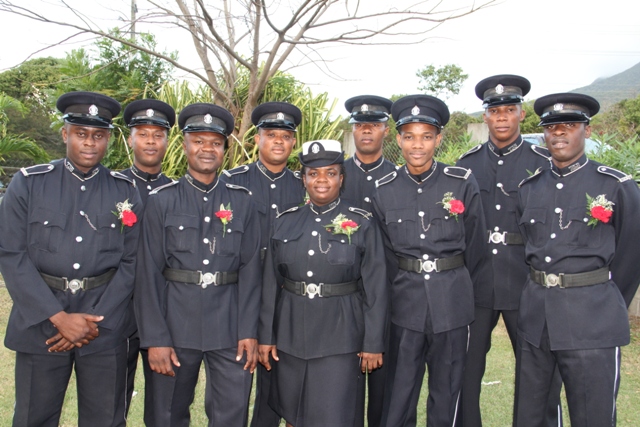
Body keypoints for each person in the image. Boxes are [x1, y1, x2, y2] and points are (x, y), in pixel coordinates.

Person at [0, 91, 142, 426]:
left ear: (108, 138)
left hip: (103, 328)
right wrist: (57, 317)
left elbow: (132, 261)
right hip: (42, 326)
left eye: (98, 135)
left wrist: (95, 321)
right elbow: (11, 253)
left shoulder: (125, 190)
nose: (89, 143)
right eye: (81, 134)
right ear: (65, 134)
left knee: (105, 419)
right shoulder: (29, 184)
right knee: (34, 416)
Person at [513, 93, 640, 426]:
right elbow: (529, 250)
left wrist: (603, 300)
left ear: (588, 130)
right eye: (552, 128)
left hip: (591, 319)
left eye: (570, 126)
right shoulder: (529, 188)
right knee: (532, 413)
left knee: (591, 415)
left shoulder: (616, 186)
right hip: (537, 320)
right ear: (543, 134)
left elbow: (631, 254)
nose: (560, 134)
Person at [134, 103, 261, 426]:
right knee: (167, 414)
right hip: (176, 325)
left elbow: (250, 270)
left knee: (230, 414)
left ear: (225, 150)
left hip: (230, 326)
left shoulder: (243, 201)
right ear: (184, 145)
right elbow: (147, 273)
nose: (207, 149)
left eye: (215, 143)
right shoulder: (162, 200)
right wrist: (155, 338)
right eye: (198, 141)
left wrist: (248, 330)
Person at [371, 94, 487, 426]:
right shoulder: (384, 189)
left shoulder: (460, 182)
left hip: (451, 303)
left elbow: (476, 247)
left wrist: (457, 285)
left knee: (447, 392)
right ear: (398, 139)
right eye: (409, 136)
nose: (417, 145)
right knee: (400, 391)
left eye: (425, 136)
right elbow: (384, 255)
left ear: (438, 138)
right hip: (405, 305)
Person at [455, 75, 562, 427]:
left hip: (527, 281)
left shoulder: (543, 162)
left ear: (522, 115)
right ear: (485, 117)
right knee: (465, 371)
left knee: (536, 373)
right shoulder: (466, 165)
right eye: (495, 111)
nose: (502, 117)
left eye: (509, 110)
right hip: (478, 281)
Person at [259, 139, 388, 427]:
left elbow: (376, 287)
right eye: (313, 173)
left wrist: (373, 342)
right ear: (303, 179)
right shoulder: (284, 222)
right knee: (293, 413)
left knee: (334, 415)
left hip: (340, 336)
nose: (321, 180)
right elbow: (270, 283)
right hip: (291, 334)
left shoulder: (362, 222)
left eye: (330, 173)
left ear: (341, 178)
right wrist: (266, 336)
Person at [222, 101, 305, 427]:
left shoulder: (304, 185)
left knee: (281, 381)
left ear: (294, 143)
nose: (279, 142)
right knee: (233, 383)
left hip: (286, 297)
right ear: (258, 139)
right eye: (271, 135)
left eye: (286, 136)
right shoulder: (232, 182)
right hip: (239, 294)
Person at [120, 98, 176, 421]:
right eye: (143, 134)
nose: (151, 141)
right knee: (113, 405)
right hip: (120, 314)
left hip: (165, 314)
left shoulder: (176, 191)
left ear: (168, 141)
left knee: (163, 411)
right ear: (131, 138)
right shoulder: (114, 187)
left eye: (158, 134)